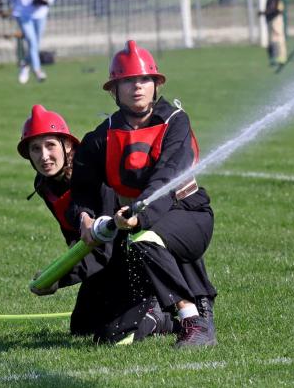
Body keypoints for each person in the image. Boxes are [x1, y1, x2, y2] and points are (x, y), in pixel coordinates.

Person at [68, 41, 218, 348]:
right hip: (138, 219)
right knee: (90, 327)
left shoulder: (175, 122)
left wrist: (140, 214)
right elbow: (82, 187)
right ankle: (161, 315)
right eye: (128, 81)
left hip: (187, 212)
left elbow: (168, 175)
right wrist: (84, 217)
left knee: (145, 240)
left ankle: (194, 321)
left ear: (155, 84)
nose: (137, 86)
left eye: (144, 79)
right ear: (115, 89)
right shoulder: (101, 136)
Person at [18, 104, 175, 342]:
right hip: (106, 260)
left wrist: (57, 278)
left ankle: (161, 312)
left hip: (132, 258)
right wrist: (57, 272)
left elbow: (103, 250)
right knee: (82, 326)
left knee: (110, 335)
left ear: (67, 145)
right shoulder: (45, 184)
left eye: (50, 145)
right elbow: (75, 239)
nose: (44, 156)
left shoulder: (92, 175)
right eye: (35, 148)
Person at [6, 0, 56, 85]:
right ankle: (38, 71)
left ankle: (24, 64)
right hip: (22, 13)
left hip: (39, 12)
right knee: (32, 41)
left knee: (35, 44)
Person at [260, 0, 287, 67]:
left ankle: (280, 57)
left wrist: (266, 12)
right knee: (272, 38)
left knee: (277, 37)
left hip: (276, 18)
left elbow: (277, 8)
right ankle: (273, 58)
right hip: (271, 18)